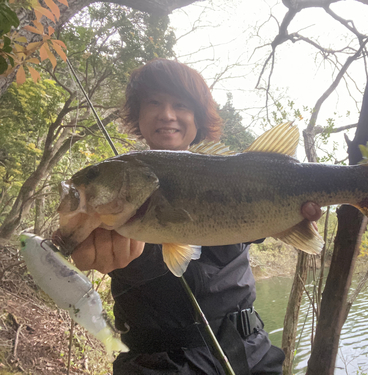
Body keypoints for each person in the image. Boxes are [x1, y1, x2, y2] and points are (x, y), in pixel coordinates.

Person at [71, 59, 322, 374]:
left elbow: (283, 224)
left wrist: (297, 217)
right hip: (157, 364)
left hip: (250, 353)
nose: (167, 114)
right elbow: (70, 242)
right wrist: (76, 246)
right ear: (138, 114)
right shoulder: (116, 183)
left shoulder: (242, 174)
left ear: (198, 117)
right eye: (154, 103)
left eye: (181, 105)